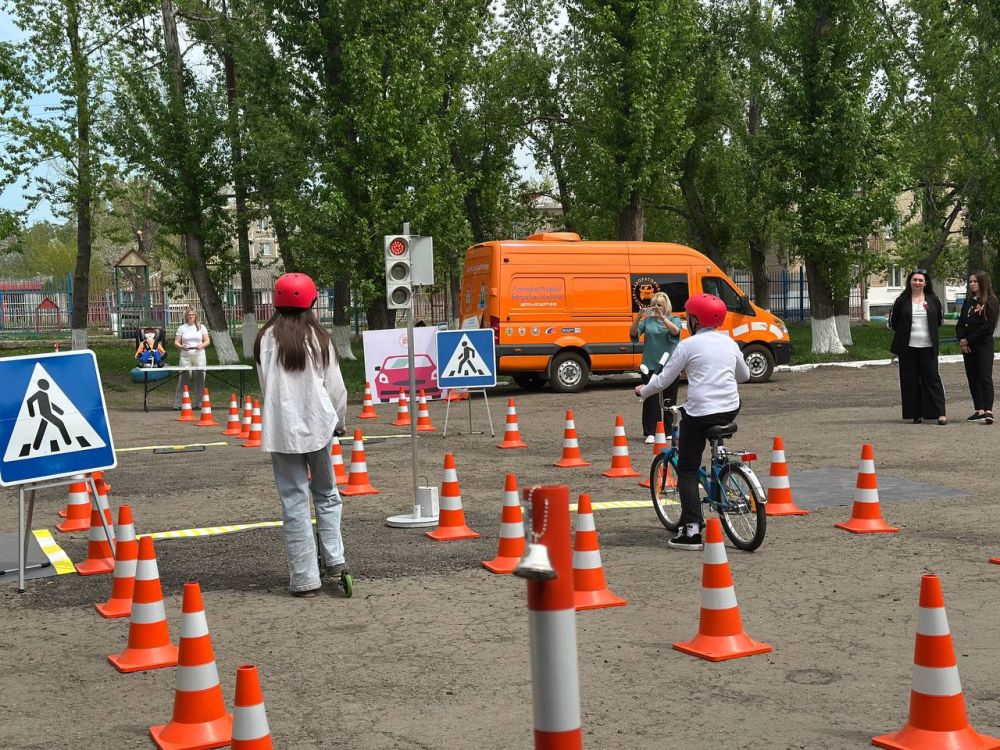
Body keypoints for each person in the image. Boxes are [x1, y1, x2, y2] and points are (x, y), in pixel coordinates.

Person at [254, 272, 349, 597]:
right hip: (318, 428)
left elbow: (266, 386)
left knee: (294, 502)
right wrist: (339, 422)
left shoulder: (265, 340)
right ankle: (335, 560)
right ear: (311, 302)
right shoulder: (319, 338)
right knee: (326, 494)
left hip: (282, 432)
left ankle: (304, 579)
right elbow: (335, 388)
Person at [635, 293, 749, 550]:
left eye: (690, 317)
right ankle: (720, 463)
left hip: (701, 413)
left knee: (686, 469)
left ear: (696, 320)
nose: (687, 321)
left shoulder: (687, 345)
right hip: (730, 409)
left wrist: (643, 391)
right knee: (711, 425)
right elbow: (744, 375)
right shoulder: (729, 342)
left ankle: (691, 531)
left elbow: (663, 380)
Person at [888, 269, 947, 425]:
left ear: (925, 283)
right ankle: (916, 413)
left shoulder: (933, 299)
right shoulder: (901, 300)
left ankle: (940, 413)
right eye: (914, 280)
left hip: (928, 346)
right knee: (910, 380)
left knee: (932, 378)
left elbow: (939, 321)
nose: (917, 283)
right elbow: (894, 322)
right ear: (909, 282)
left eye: (920, 280)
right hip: (908, 347)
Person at [629, 291, 682, 442]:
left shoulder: (675, 319)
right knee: (650, 399)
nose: (656, 308)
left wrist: (663, 318)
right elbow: (633, 334)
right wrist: (638, 317)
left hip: (669, 366)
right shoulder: (647, 321)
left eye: (659, 305)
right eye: (653, 305)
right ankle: (650, 432)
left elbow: (675, 332)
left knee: (669, 400)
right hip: (649, 365)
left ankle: (669, 430)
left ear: (666, 306)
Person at [956, 270, 999, 424]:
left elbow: (988, 327)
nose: (972, 284)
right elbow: (961, 322)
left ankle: (988, 410)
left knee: (984, 377)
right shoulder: (969, 301)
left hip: (983, 346)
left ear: (982, 282)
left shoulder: (991, 301)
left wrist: (968, 339)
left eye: (975, 281)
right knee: (972, 378)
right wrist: (961, 339)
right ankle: (979, 409)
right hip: (968, 347)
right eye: (971, 282)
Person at [173, 308, 211, 409]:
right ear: (186, 316)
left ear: (196, 316)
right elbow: (176, 342)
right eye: (189, 315)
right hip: (185, 356)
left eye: (193, 315)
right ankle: (178, 404)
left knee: (200, 378)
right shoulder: (182, 328)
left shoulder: (201, 327)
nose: (191, 317)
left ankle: (199, 403)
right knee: (183, 378)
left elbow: (207, 341)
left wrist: (201, 345)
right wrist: (182, 347)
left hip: (199, 355)